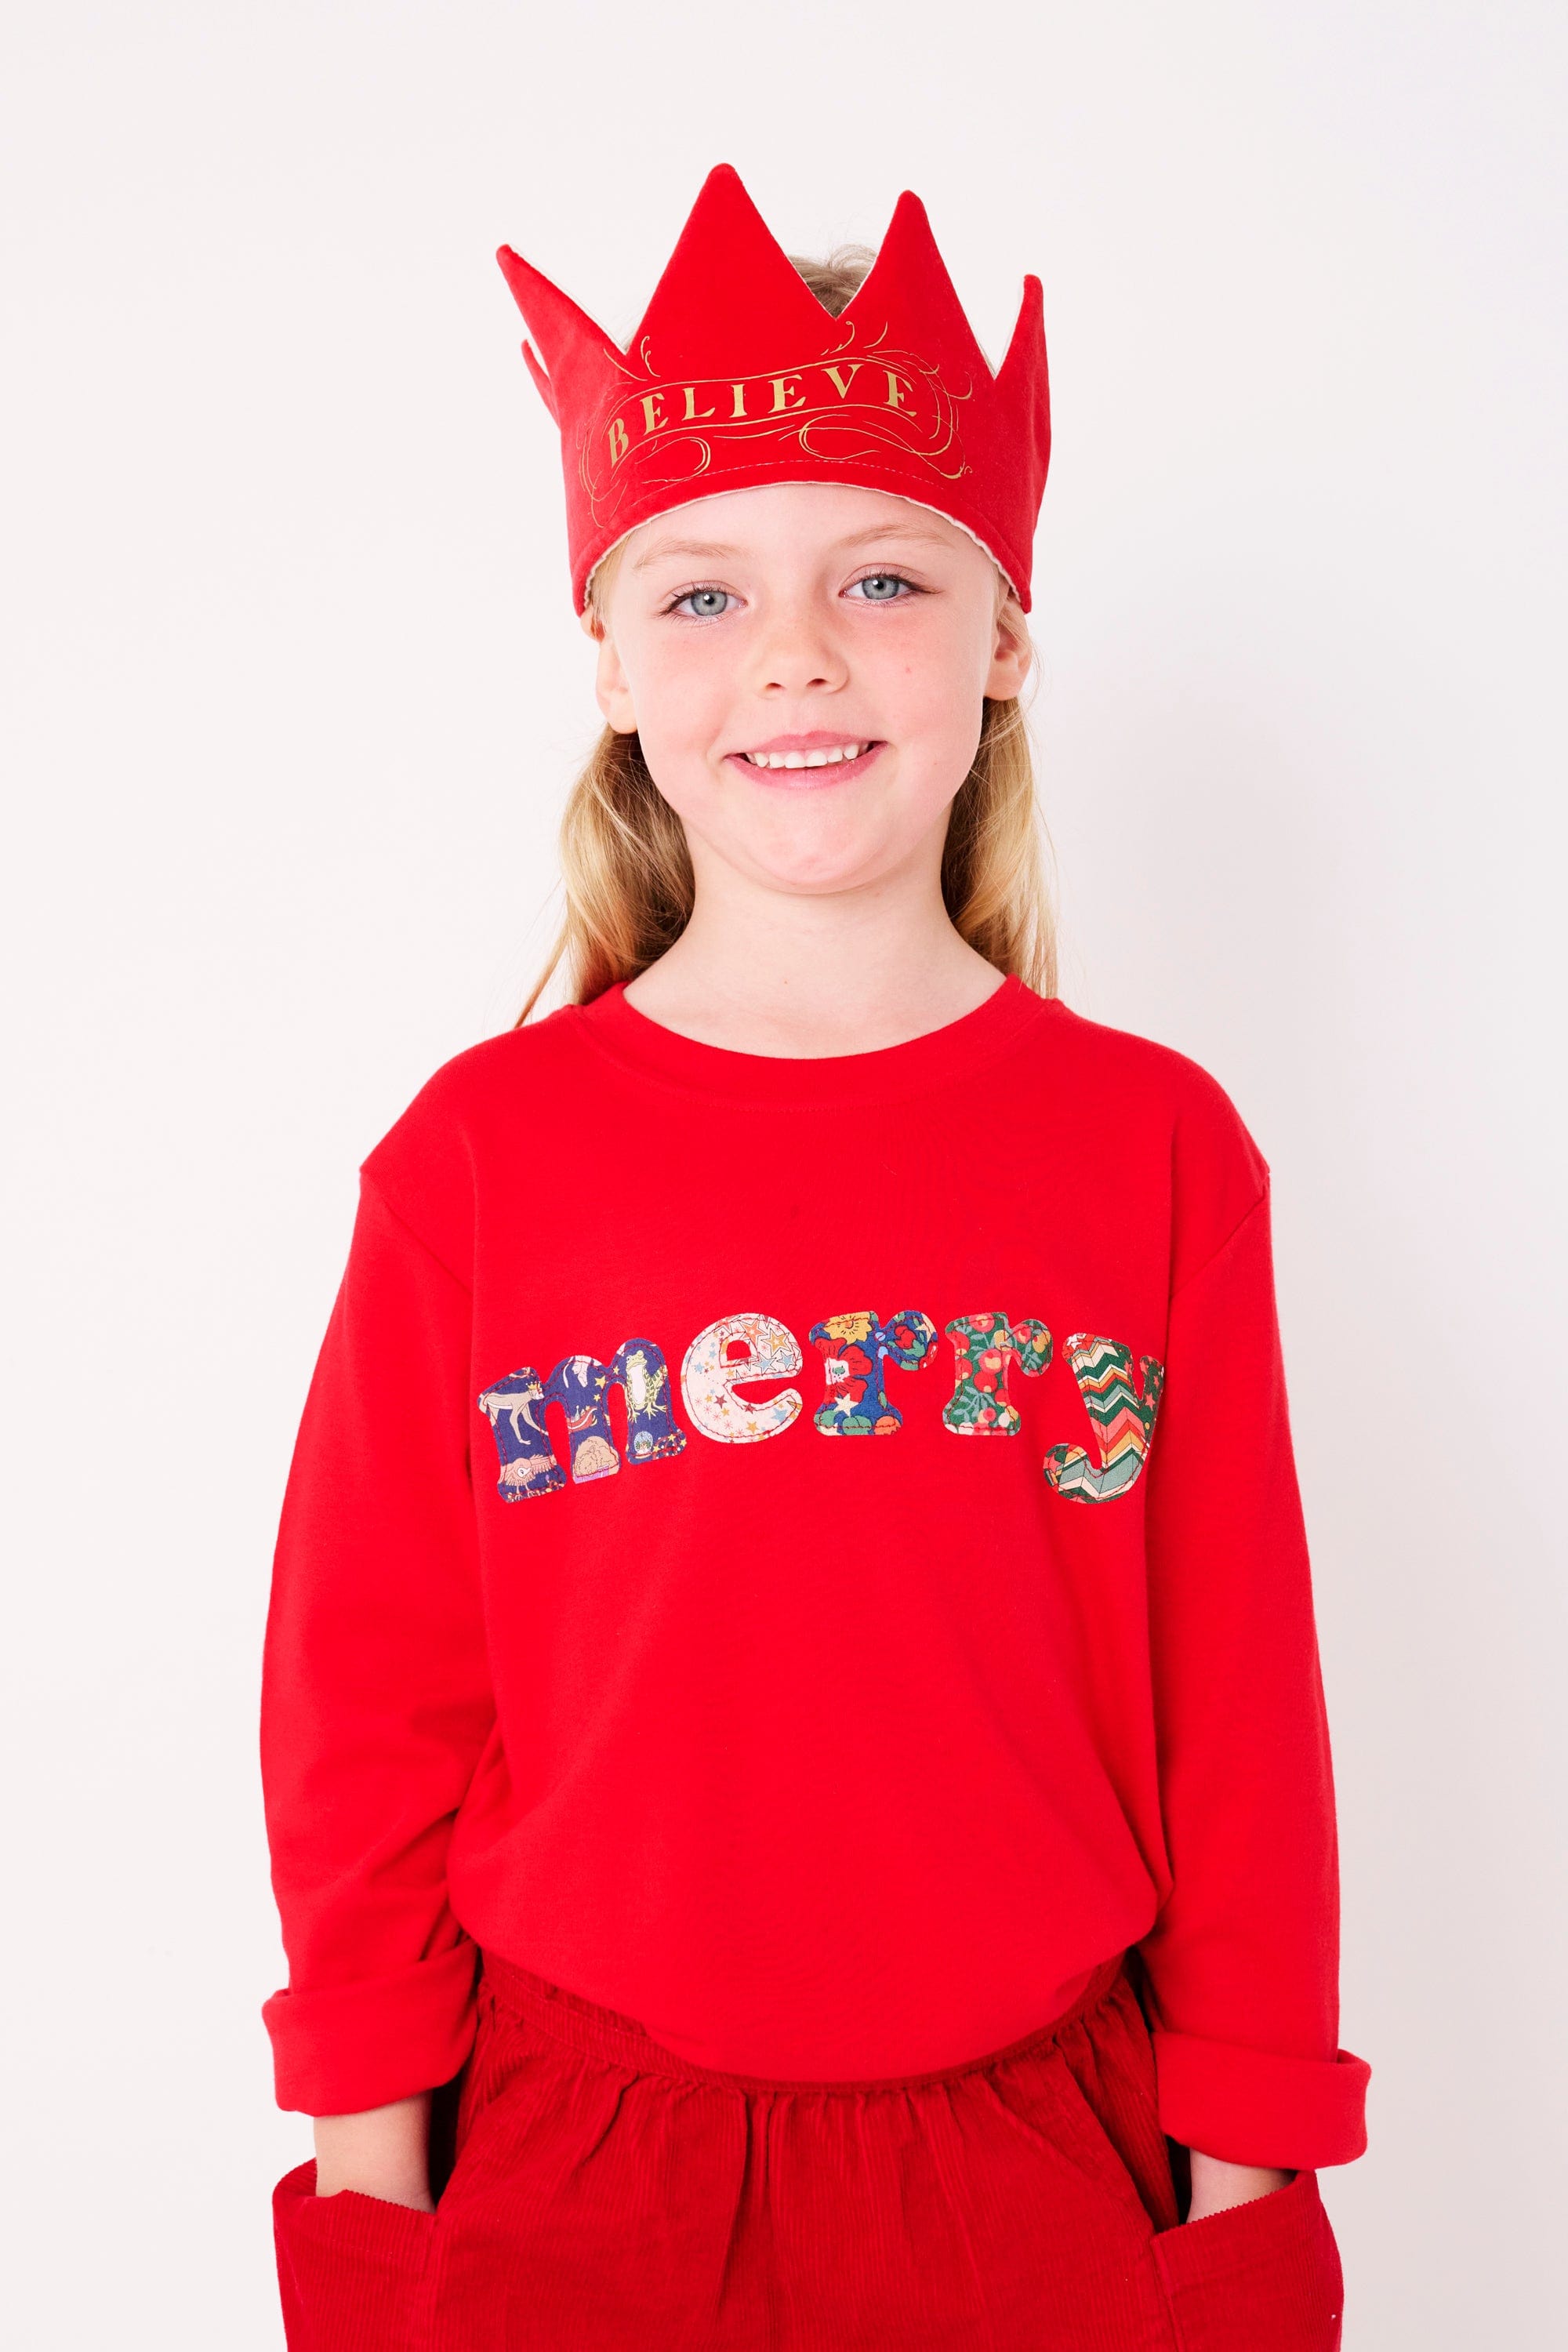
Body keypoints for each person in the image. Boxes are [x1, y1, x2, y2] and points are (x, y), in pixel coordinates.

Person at [260, 162, 1370, 2350]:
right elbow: (365, 1716)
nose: (793, 653)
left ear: (1007, 634)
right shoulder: (480, 1159)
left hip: (1042, 2169)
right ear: (604, 660)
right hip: (579, 2169)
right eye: (701, 595)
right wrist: (374, 2206)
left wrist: (1241, 2199)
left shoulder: (1152, 1147)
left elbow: (1239, 1719)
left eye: (879, 579)